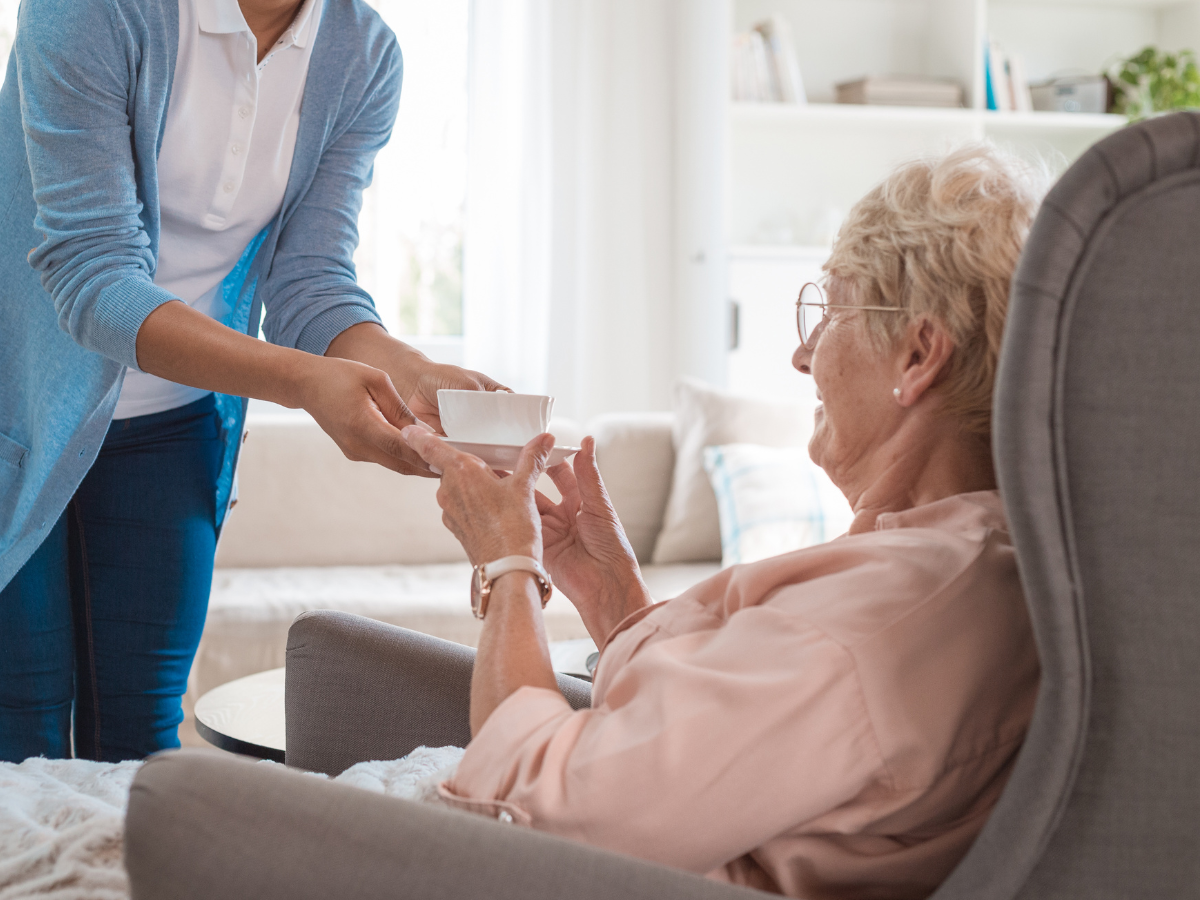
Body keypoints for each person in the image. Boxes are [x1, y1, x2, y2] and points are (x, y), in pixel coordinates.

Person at [399, 145, 1045, 899]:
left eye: (831, 310)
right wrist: (612, 598)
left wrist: (509, 564)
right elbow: (733, 749)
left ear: (918, 354)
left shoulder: (867, 627)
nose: (802, 355)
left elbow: (526, 817)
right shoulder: (963, 562)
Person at [0, 0, 501, 763]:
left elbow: (310, 279)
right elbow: (91, 275)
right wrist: (305, 384)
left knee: (140, 741)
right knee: (19, 731)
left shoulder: (360, 54)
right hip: (17, 416)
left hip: (175, 423)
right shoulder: (89, 12)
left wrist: (410, 371)